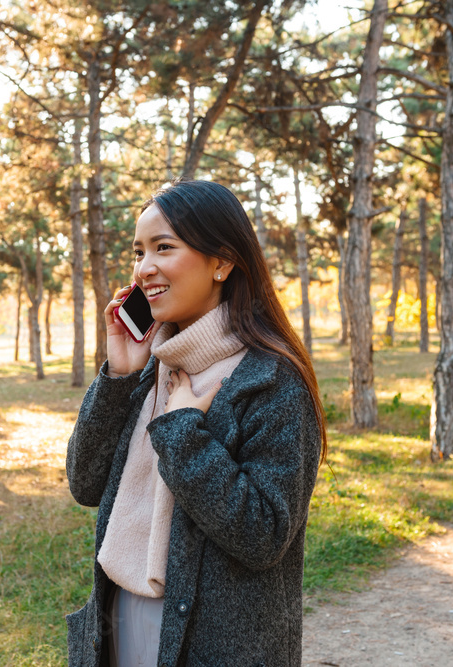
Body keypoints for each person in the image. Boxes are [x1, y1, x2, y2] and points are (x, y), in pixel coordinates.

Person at [65, 179, 326, 667]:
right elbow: (84, 483)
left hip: (212, 644)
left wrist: (184, 432)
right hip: (119, 620)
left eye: (164, 247)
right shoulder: (151, 365)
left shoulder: (271, 380)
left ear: (222, 262)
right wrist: (118, 376)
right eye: (139, 252)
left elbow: (264, 535)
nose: (145, 268)